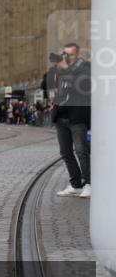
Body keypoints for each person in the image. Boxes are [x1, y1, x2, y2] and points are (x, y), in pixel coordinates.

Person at [52, 43, 91, 198]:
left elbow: (83, 86)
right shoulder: (61, 69)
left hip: (77, 116)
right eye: (65, 54)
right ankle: (76, 184)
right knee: (65, 152)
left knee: (82, 151)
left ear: (78, 54)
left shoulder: (85, 68)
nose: (67, 57)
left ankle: (89, 184)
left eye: (70, 54)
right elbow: (45, 85)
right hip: (61, 117)